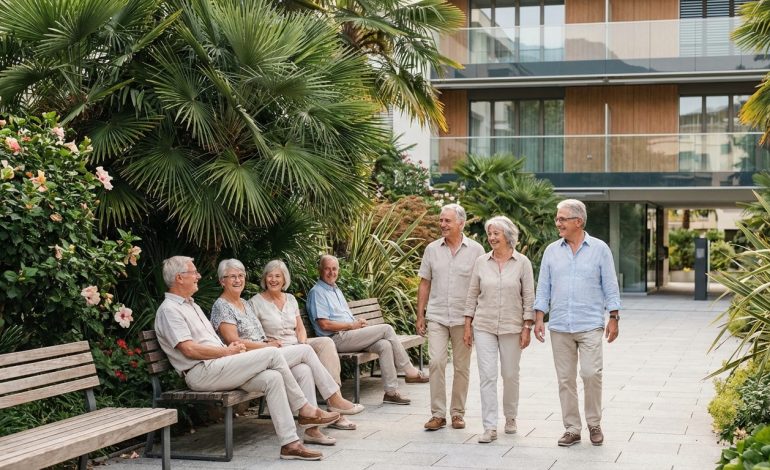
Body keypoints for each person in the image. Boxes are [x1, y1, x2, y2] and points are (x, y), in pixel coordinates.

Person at [154, 256, 339, 461]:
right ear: (179, 278)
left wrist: (230, 351)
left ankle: (290, 444)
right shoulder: (169, 310)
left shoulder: (191, 305)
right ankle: (305, 409)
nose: (198, 276)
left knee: (273, 378)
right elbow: (189, 350)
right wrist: (227, 351)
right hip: (201, 372)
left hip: (220, 366)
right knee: (272, 353)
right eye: (193, 272)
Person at [210, 259, 363, 447]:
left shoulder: (243, 303)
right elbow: (233, 342)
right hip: (251, 360)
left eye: (241, 276)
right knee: (306, 350)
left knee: (304, 370)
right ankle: (333, 398)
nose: (238, 280)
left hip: (268, 352)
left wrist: (268, 344)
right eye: (232, 276)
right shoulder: (223, 306)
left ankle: (312, 430)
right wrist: (267, 346)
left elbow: (261, 334)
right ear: (222, 281)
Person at [533, 199, 621, 447]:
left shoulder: (600, 249)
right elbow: (543, 286)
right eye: (557, 218)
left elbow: (610, 284)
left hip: (590, 323)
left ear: (578, 221)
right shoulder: (552, 251)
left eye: (562, 219)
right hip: (560, 325)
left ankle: (594, 423)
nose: (557, 223)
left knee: (591, 374)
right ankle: (572, 428)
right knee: (565, 379)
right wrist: (539, 317)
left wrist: (614, 317)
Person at [249, 259, 361, 431]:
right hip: (277, 349)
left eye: (278, 276)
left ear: (284, 279)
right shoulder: (255, 302)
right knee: (305, 369)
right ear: (264, 279)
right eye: (270, 276)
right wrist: (269, 343)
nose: (273, 280)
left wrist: (302, 341)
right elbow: (255, 333)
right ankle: (332, 404)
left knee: (325, 342)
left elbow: (300, 328)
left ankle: (333, 401)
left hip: (298, 344)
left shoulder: (290, 299)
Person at [307, 255, 429, 405]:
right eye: (327, 269)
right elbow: (324, 325)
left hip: (349, 335)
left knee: (384, 345)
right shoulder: (317, 292)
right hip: (335, 339)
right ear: (320, 270)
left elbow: (344, 317)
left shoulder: (335, 290)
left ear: (338, 270)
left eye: (334, 269)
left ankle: (391, 393)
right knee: (387, 329)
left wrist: (358, 323)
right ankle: (409, 370)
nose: (331, 272)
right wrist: (352, 325)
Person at [464, 216, 534, 444]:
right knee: (487, 376)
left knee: (510, 375)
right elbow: (472, 294)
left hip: (512, 326)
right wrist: (467, 325)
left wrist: (527, 326)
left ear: (508, 235)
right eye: (490, 234)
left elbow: (528, 296)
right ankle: (490, 426)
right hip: (484, 325)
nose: (492, 238)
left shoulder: (522, 262)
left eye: (496, 233)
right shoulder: (481, 262)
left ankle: (510, 417)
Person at [416, 203, 485, 431]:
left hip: (464, 319)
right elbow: (424, 283)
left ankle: (457, 413)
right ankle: (437, 414)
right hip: (437, 315)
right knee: (436, 362)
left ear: (461, 223)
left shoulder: (476, 251)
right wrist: (420, 315)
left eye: (447, 221)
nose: (442, 224)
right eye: (441, 220)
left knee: (461, 367)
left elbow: (481, 286)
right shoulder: (432, 249)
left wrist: (474, 320)